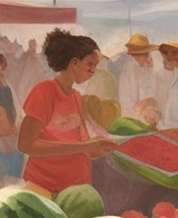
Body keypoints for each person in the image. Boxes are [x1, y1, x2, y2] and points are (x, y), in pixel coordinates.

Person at [17, 30, 117, 194]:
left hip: (76, 188)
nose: (93, 70)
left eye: (96, 66)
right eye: (90, 64)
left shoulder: (77, 97)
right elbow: (25, 144)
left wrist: (95, 147)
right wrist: (84, 146)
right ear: (74, 63)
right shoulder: (44, 92)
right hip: (45, 188)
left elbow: (78, 144)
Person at [116, 34, 160, 126]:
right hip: (134, 116)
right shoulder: (128, 70)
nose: (136, 58)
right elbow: (126, 102)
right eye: (134, 56)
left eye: (140, 55)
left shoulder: (154, 67)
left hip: (153, 116)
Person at [0, 53, 24, 183]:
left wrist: (17, 127)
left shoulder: (7, 86)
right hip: (2, 143)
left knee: (14, 181)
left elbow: (18, 109)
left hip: (12, 140)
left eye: (2, 68)